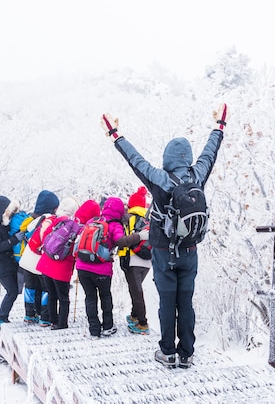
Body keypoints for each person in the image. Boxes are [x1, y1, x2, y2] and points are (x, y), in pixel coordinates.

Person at [99, 104, 227, 368]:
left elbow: (135, 160)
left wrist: (115, 134)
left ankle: (167, 352)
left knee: (167, 302)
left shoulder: (160, 179)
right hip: (190, 253)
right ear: (187, 157)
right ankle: (187, 354)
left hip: (162, 252)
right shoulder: (197, 175)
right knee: (186, 303)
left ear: (168, 157)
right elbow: (210, 152)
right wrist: (219, 126)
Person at [75, 196, 147, 339]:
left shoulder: (94, 221)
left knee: (90, 298)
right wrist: (139, 236)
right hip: (101, 268)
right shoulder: (114, 224)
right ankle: (108, 327)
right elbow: (121, 241)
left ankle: (94, 330)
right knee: (105, 296)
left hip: (82, 267)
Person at [37, 198, 100, 330]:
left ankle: (53, 321)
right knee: (63, 298)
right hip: (62, 268)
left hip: (46, 263)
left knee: (51, 294)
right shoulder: (81, 229)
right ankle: (62, 324)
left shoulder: (61, 221)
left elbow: (47, 235)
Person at [19, 190, 59, 326]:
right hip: (39, 260)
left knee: (30, 287)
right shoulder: (49, 220)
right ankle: (45, 317)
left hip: (27, 259)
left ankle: (30, 315)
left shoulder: (32, 219)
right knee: (45, 288)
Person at [0, 195, 25, 330]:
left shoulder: (4, 222)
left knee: (16, 290)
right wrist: (14, 239)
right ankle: (0, 318)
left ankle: (5, 317)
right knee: (12, 291)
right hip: (0, 265)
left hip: (10, 262)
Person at [118, 187, 153, 335]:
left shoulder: (128, 218)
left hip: (131, 259)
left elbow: (122, 240)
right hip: (148, 260)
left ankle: (143, 324)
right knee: (136, 290)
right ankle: (134, 315)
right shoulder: (150, 218)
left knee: (136, 292)